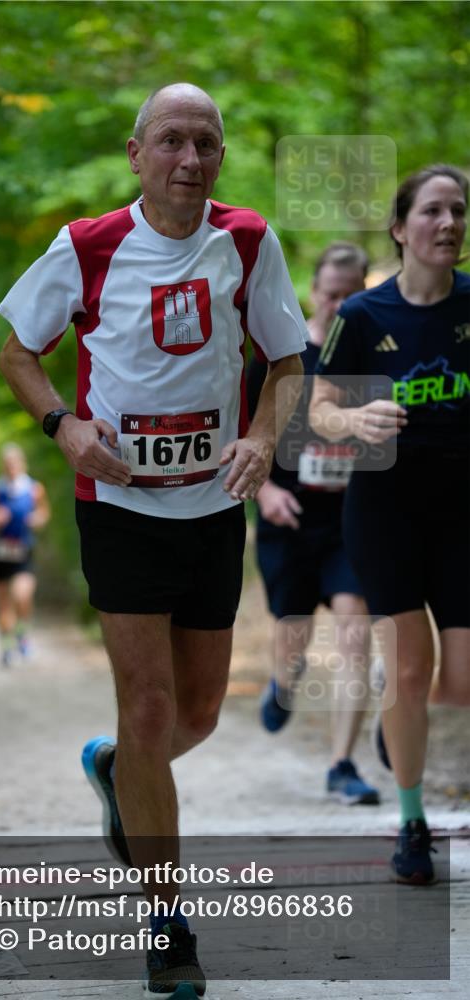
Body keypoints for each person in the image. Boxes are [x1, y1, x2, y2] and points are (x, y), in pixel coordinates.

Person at [0, 83, 307, 996]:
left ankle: (115, 772)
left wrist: (258, 436)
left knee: (196, 717)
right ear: (136, 154)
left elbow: (285, 362)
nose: (188, 158)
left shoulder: (247, 240)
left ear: (219, 156)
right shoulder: (89, 246)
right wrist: (63, 427)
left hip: (212, 507)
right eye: (170, 140)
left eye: (204, 143)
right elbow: (19, 351)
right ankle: (166, 924)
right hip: (119, 508)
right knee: (145, 708)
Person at [310, 165, 469, 884]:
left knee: (457, 680)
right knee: (409, 665)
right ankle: (411, 824)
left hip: (462, 507)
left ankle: (392, 723)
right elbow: (314, 411)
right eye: (432, 211)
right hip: (385, 507)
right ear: (400, 229)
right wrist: (354, 416)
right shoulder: (363, 316)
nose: (448, 224)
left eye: (458, 212)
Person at [247, 242, 381, 805]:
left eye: (352, 296)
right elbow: (247, 438)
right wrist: (268, 491)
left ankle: (343, 764)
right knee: (293, 637)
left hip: (350, 522)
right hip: (290, 517)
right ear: (313, 291)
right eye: (331, 294)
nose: (339, 304)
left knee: (356, 635)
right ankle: (283, 682)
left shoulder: (375, 354)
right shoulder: (283, 354)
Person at [0, 443, 50, 666]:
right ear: (3, 466)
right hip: (0, 551)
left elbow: (44, 512)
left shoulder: (34, 488)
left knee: (22, 596)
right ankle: (6, 646)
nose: (12, 467)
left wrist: (37, 519)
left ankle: (22, 635)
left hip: (24, 549)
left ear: (22, 464)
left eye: (15, 463)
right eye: (8, 464)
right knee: (3, 601)